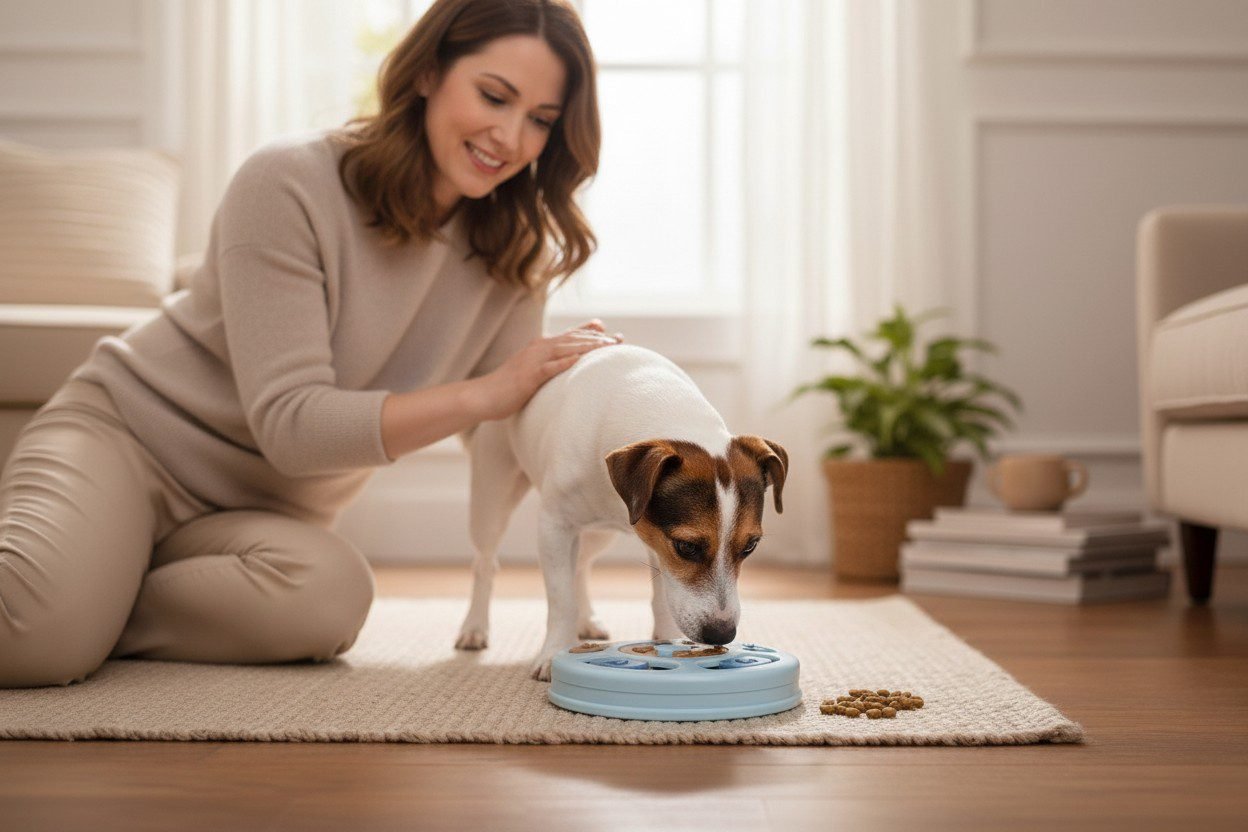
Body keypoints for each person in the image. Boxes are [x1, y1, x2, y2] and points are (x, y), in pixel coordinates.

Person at [0, 0, 618, 688]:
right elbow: (291, 428)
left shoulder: (512, 255)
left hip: (262, 518)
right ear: (427, 73)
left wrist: (608, 438)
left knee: (330, 597)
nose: (510, 136)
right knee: (32, 639)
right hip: (131, 443)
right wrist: (488, 392)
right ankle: (73, 602)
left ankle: (93, 597)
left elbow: (506, 437)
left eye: (541, 120)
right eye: (494, 96)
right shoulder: (289, 179)